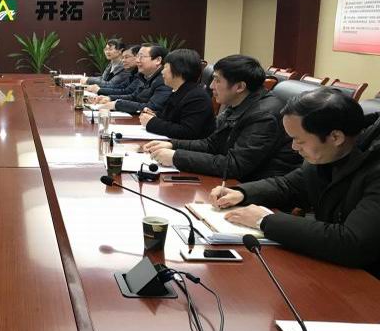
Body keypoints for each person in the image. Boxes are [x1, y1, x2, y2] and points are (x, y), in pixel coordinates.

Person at [207, 88, 380, 278]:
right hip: (333, 266)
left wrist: (264, 220)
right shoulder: (327, 154)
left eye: (300, 141)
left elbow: (353, 242)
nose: (294, 147)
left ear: (335, 137)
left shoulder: (374, 169)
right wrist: (242, 193)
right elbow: (288, 186)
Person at [144, 54, 300, 182]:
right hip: (236, 182)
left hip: (257, 189)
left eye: (217, 80)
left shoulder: (264, 116)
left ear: (240, 87)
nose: (211, 86)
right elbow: (212, 144)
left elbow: (235, 165)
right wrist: (172, 144)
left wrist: (177, 157)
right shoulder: (238, 103)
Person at [139, 49, 215, 139]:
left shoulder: (197, 97)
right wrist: (155, 115)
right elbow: (171, 118)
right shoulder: (179, 91)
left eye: (165, 67)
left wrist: (152, 122)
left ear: (179, 69)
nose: (162, 72)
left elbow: (187, 132)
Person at [94, 43, 171, 115]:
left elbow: (152, 107)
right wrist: (110, 98)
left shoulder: (164, 80)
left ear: (158, 60)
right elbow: (134, 97)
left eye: (141, 57)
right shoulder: (145, 76)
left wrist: (117, 104)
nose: (137, 60)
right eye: (137, 56)